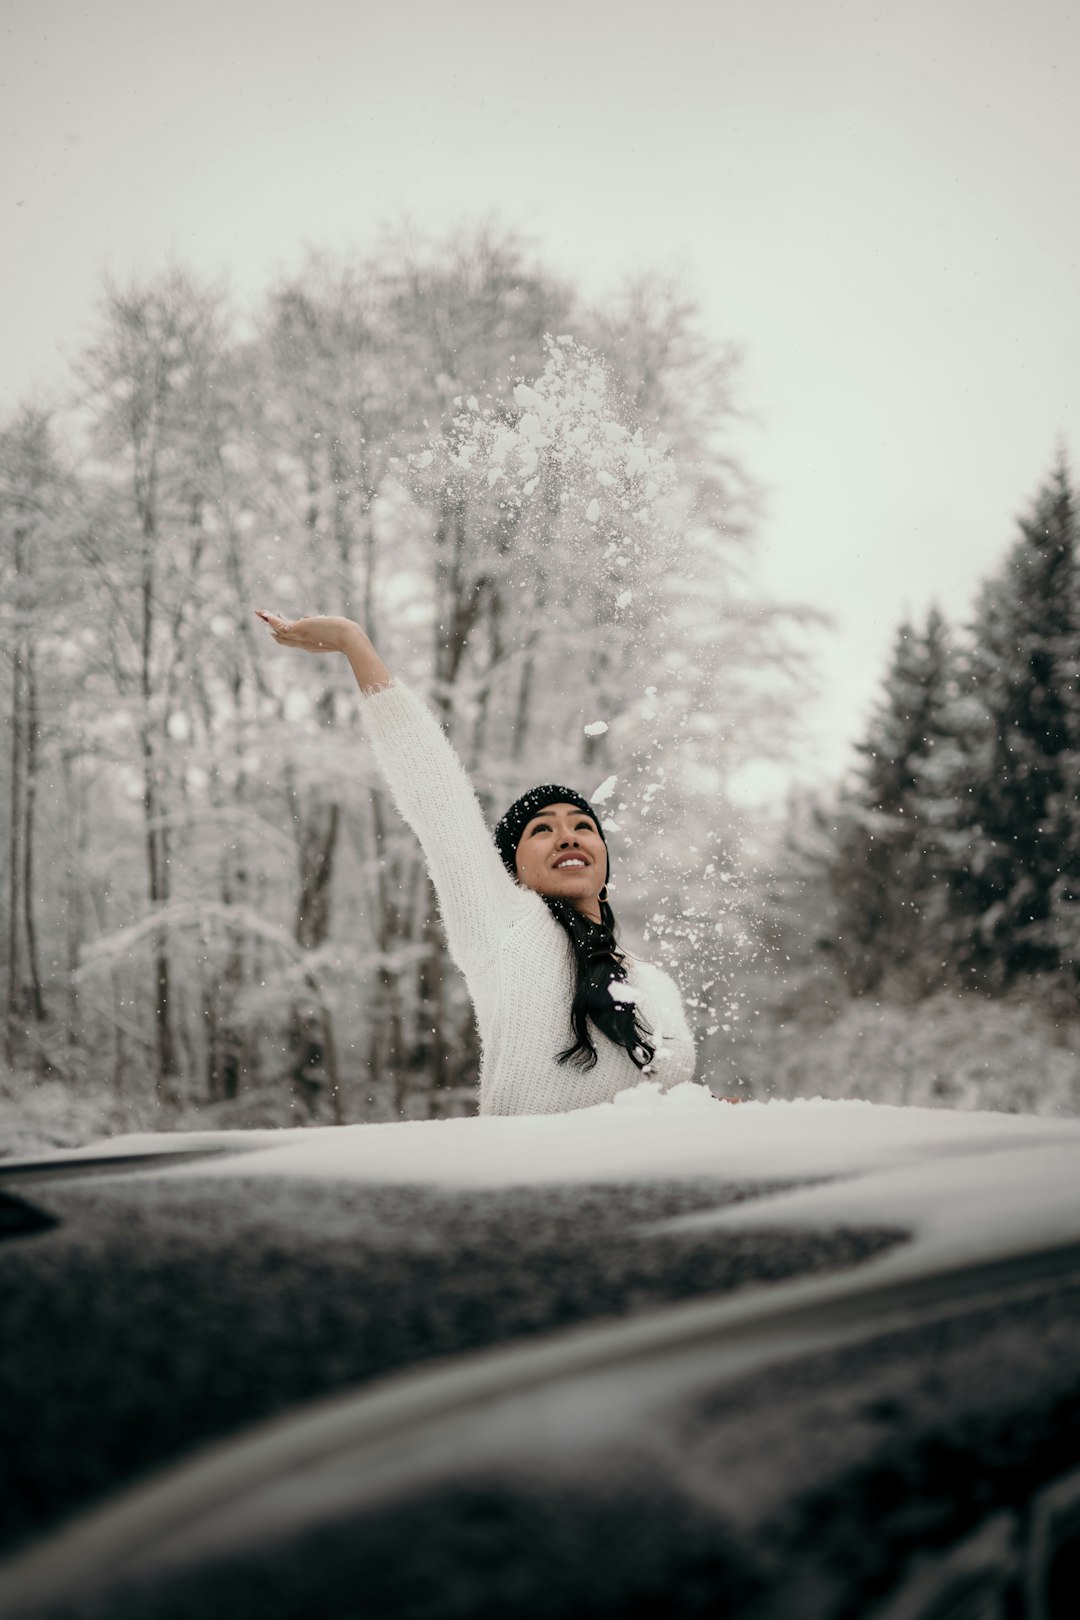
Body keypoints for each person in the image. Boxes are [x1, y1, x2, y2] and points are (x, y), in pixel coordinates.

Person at [255, 609, 696, 1116]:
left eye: (582, 826)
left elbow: (668, 1107)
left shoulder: (653, 983)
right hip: (526, 1184)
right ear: (509, 871)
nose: (567, 837)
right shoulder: (505, 926)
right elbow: (436, 791)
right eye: (542, 830)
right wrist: (354, 644)